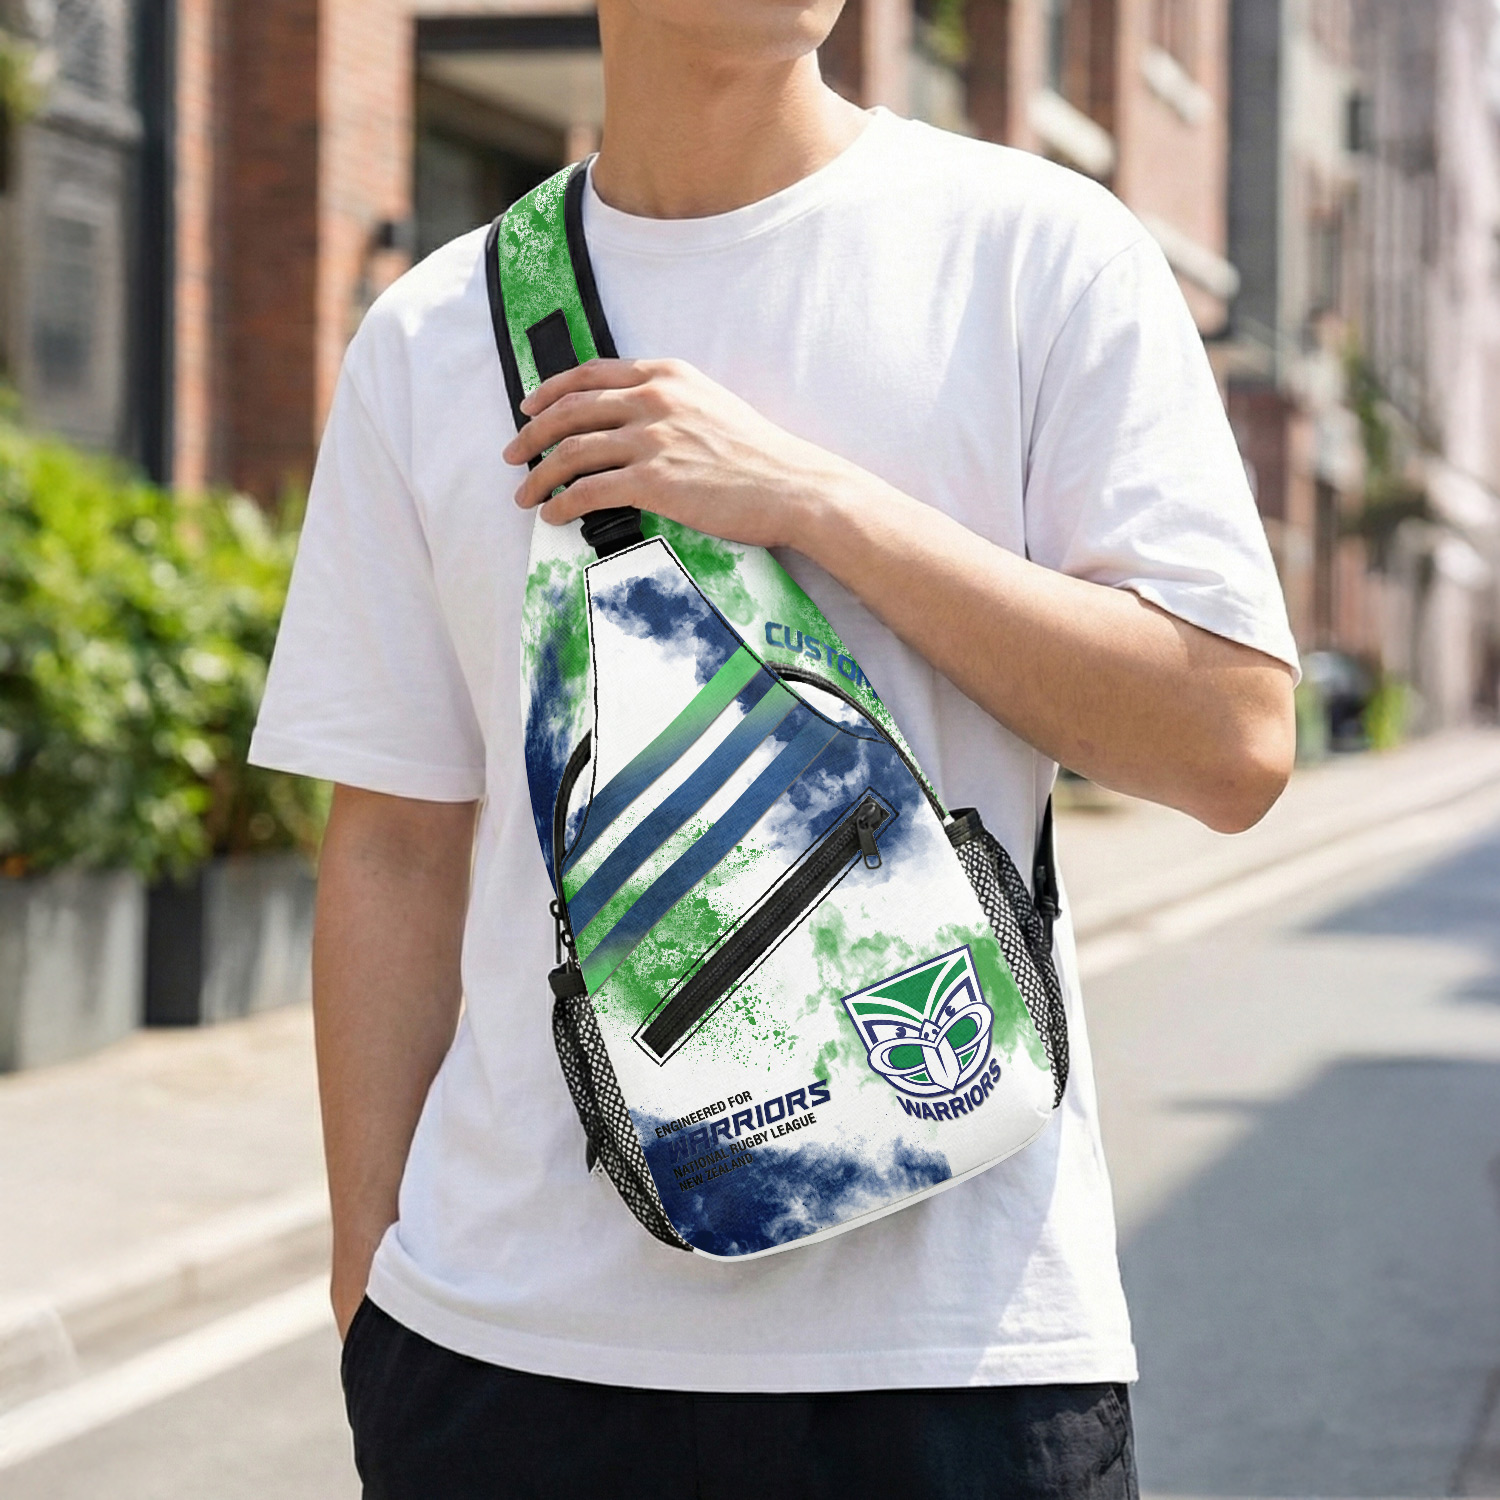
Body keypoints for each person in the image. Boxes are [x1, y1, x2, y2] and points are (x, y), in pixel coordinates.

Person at [250, 1, 1299, 1494]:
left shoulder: (1035, 253)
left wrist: (816, 501)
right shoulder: (436, 333)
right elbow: (398, 844)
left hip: (953, 1360)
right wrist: (373, 1290)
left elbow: (1234, 740)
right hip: (509, 1358)